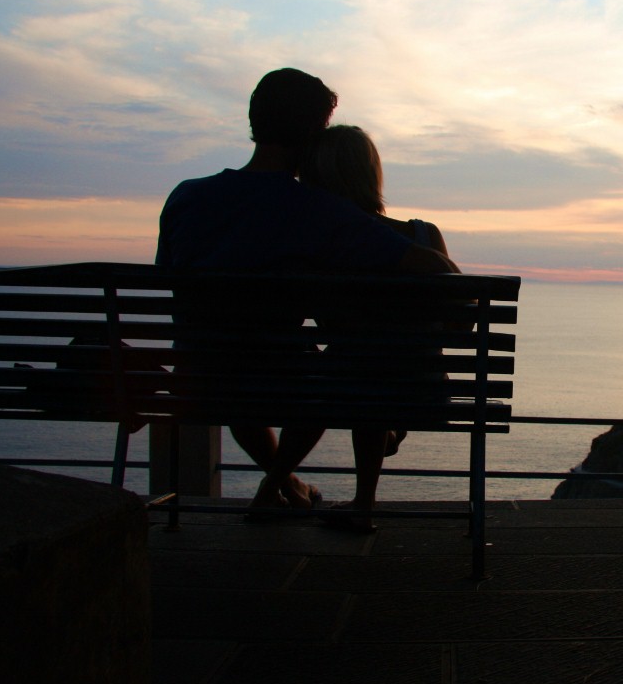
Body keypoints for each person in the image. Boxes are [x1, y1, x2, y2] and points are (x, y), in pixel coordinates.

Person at [155, 69, 456, 519]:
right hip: (276, 377)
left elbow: (166, 281)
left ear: (255, 121)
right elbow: (435, 269)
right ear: (314, 132)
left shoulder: (186, 196)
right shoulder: (318, 210)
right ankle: (294, 483)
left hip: (197, 374)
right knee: (327, 369)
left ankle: (286, 486)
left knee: (240, 368)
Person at [298, 124, 456, 531]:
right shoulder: (424, 235)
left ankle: (279, 484)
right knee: (371, 367)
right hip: (425, 389)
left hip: (350, 387)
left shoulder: (323, 247)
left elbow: (323, 323)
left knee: (350, 364)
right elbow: (462, 319)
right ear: (373, 174)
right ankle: (362, 498)